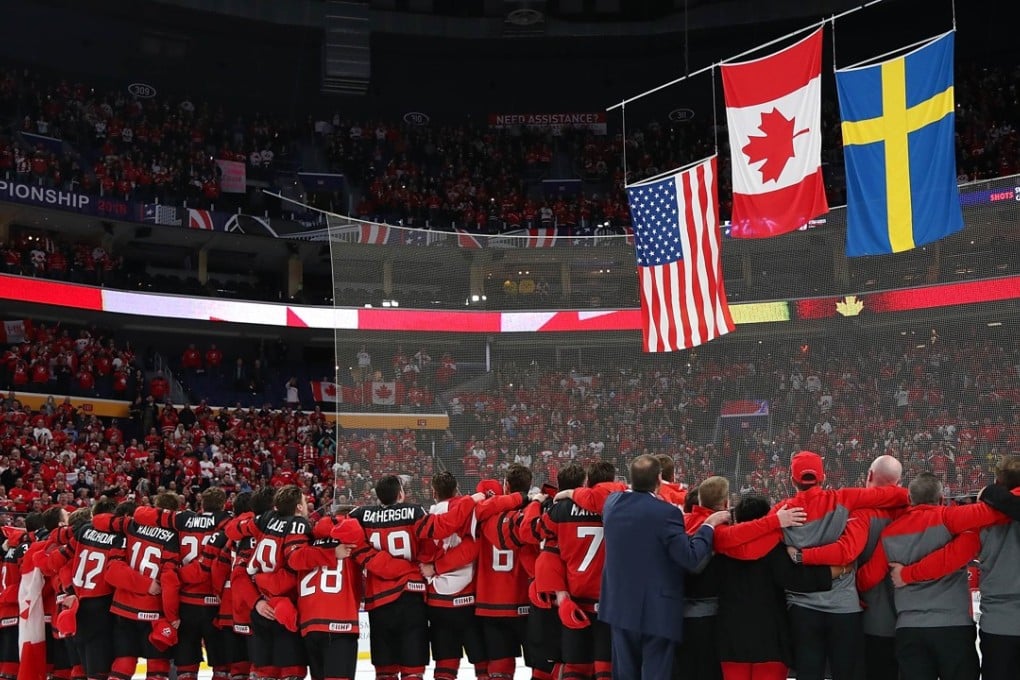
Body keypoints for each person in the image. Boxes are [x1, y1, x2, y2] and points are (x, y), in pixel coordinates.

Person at [778, 451, 909, 680]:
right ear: (823, 477)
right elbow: (846, 551)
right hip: (869, 612)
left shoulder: (781, 512)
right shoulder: (845, 499)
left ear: (792, 480)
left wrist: (800, 556)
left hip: (810, 609)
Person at [599, 454, 730, 679]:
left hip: (619, 607)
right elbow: (690, 558)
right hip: (657, 611)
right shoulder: (666, 513)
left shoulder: (611, 505)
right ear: (660, 479)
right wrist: (708, 526)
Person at [856, 473, 981, 680]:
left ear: (909, 500)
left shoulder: (890, 533)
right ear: (941, 499)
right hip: (953, 627)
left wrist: (843, 578)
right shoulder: (951, 520)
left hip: (910, 629)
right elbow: (971, 544)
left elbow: (868, 577)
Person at [716, 495, 845, 680]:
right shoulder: (774, 549)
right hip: (771, 641)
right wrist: (839, 570)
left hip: (730, 640)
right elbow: (798, 580)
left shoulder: (722, 549)